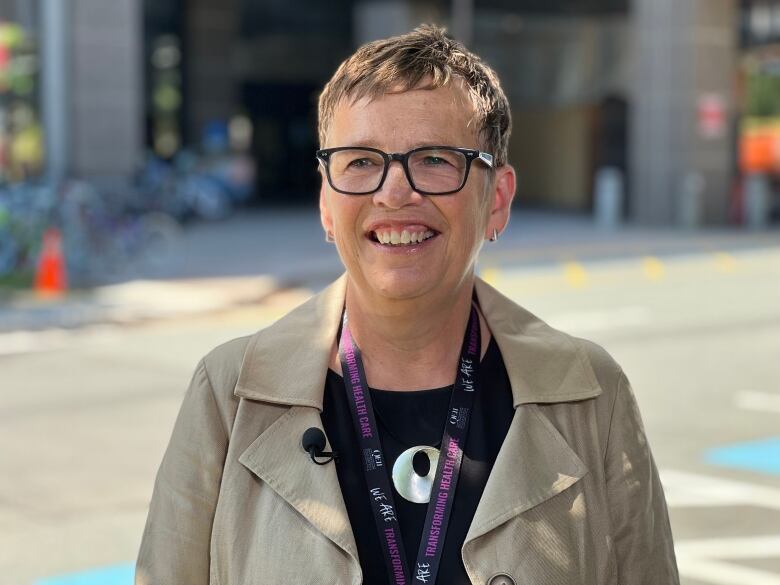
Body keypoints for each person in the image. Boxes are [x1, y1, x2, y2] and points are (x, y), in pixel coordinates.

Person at [136, 25, 679, 585]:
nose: (395, 192)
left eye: (436, 160)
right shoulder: (228, 396)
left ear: (497, 199)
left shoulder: (592, 394)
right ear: (327, 203)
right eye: (361, 161)